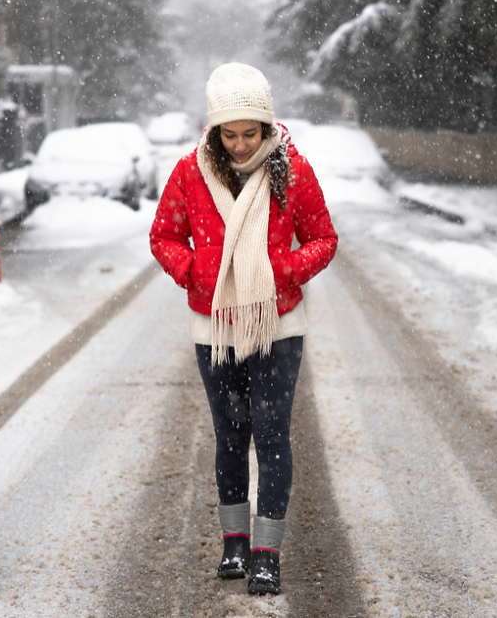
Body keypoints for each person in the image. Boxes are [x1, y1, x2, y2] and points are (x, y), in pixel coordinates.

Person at [149, 63, 338, 595]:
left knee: (273, 436)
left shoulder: (291, 171)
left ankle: (266, 553)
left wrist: (281, 272)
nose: (238, 145)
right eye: (228, 135)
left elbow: (323, 238)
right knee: (231, 435)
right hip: (215, 329)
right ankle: (233, 544)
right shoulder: (191, 173)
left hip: (278, 326)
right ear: (214, 131)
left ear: (266, 126)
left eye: (248, 133)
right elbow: (163, 235)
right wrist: (197, 272)